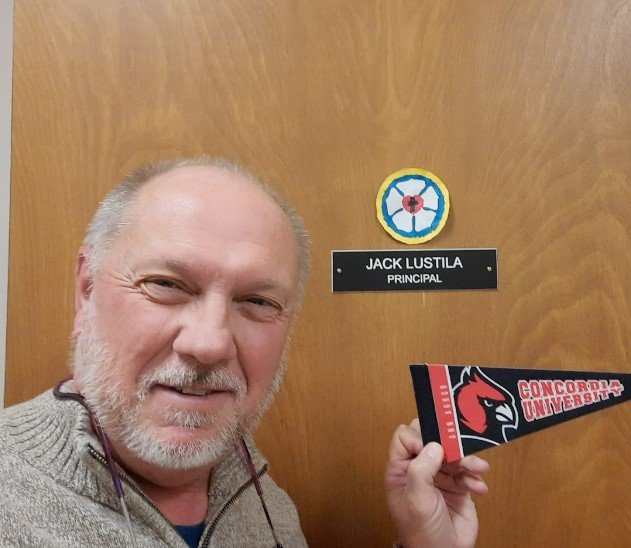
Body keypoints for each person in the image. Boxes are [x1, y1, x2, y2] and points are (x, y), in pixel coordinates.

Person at [0, 157, 489, 547]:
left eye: (257, 301)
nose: (210, 343)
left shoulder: (261, 499)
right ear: (87, 290)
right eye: (166, 284)